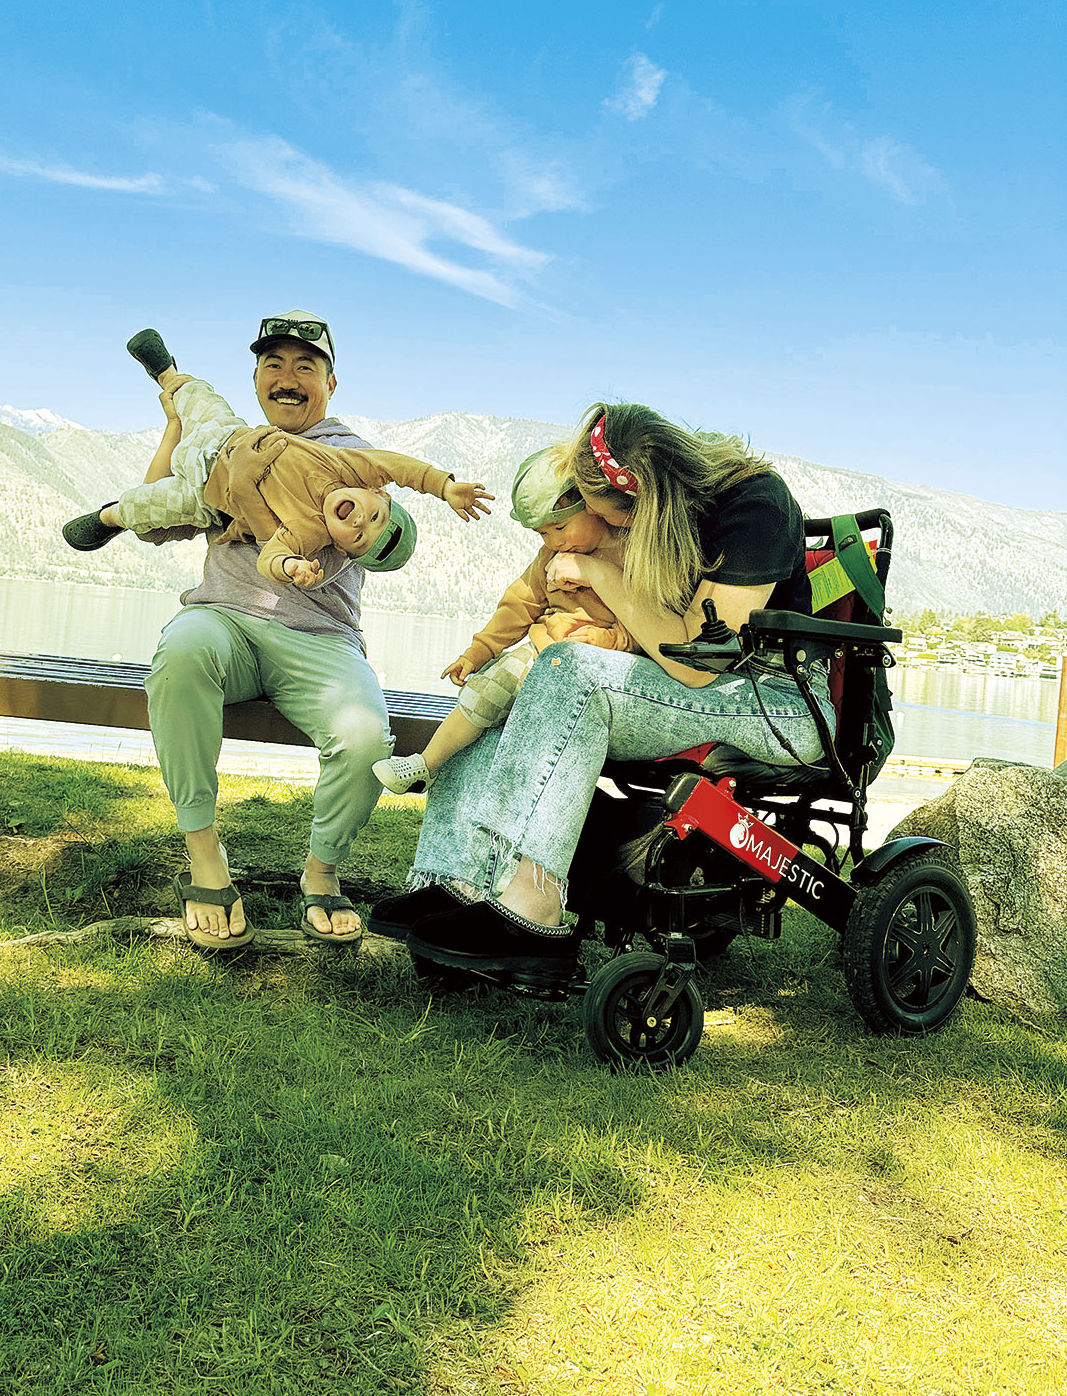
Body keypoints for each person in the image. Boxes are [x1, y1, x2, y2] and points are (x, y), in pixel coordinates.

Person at [367, 400, 834, 989]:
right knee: (509, 686)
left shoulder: (755, 506)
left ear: (638, 495)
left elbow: (696, 663)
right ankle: (456, 880)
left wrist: (598, 575)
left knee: (568, 671)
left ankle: (532, 910)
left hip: (774, 703)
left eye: (596, 509)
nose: (592, 522)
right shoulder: (657, 519)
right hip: (691, 687)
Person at [68, 311, 457, 955]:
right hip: (224, 620)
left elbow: (367, 532)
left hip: (319, 640)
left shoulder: (340, 454)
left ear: (331, 384)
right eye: (273, 365)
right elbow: (157, 509)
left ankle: (322, 871)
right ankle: (204, 856)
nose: (287, 378)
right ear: (254, 381)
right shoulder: (235, 447)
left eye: (306, 366)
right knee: (181, 651)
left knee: (366, 737)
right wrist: (177, 426)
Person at [62, 342, 491, 587]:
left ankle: (107, 516)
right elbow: (401, 467)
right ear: (376, 491)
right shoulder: (349, 467)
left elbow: (272, 554)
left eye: (359, 537)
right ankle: (167, 372)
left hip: (205, 495)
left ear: (342, 550)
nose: (360, 521)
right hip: (224, 436)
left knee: (148, 507)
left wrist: (290, 567)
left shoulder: (309, 532)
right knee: (199, 396)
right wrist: (444, 486)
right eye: (374, 515)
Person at [371, 445, 635, 794]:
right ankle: (426, 764)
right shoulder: (550, 557)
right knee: (485, 690)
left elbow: (649, 623)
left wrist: (612, 640)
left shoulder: (631, 555)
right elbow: (519, 606)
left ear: (591, 506)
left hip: (600, 669)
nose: (555, 541)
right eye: (543, 534)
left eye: (560, 527)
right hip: (542, 654)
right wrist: (478, 651)